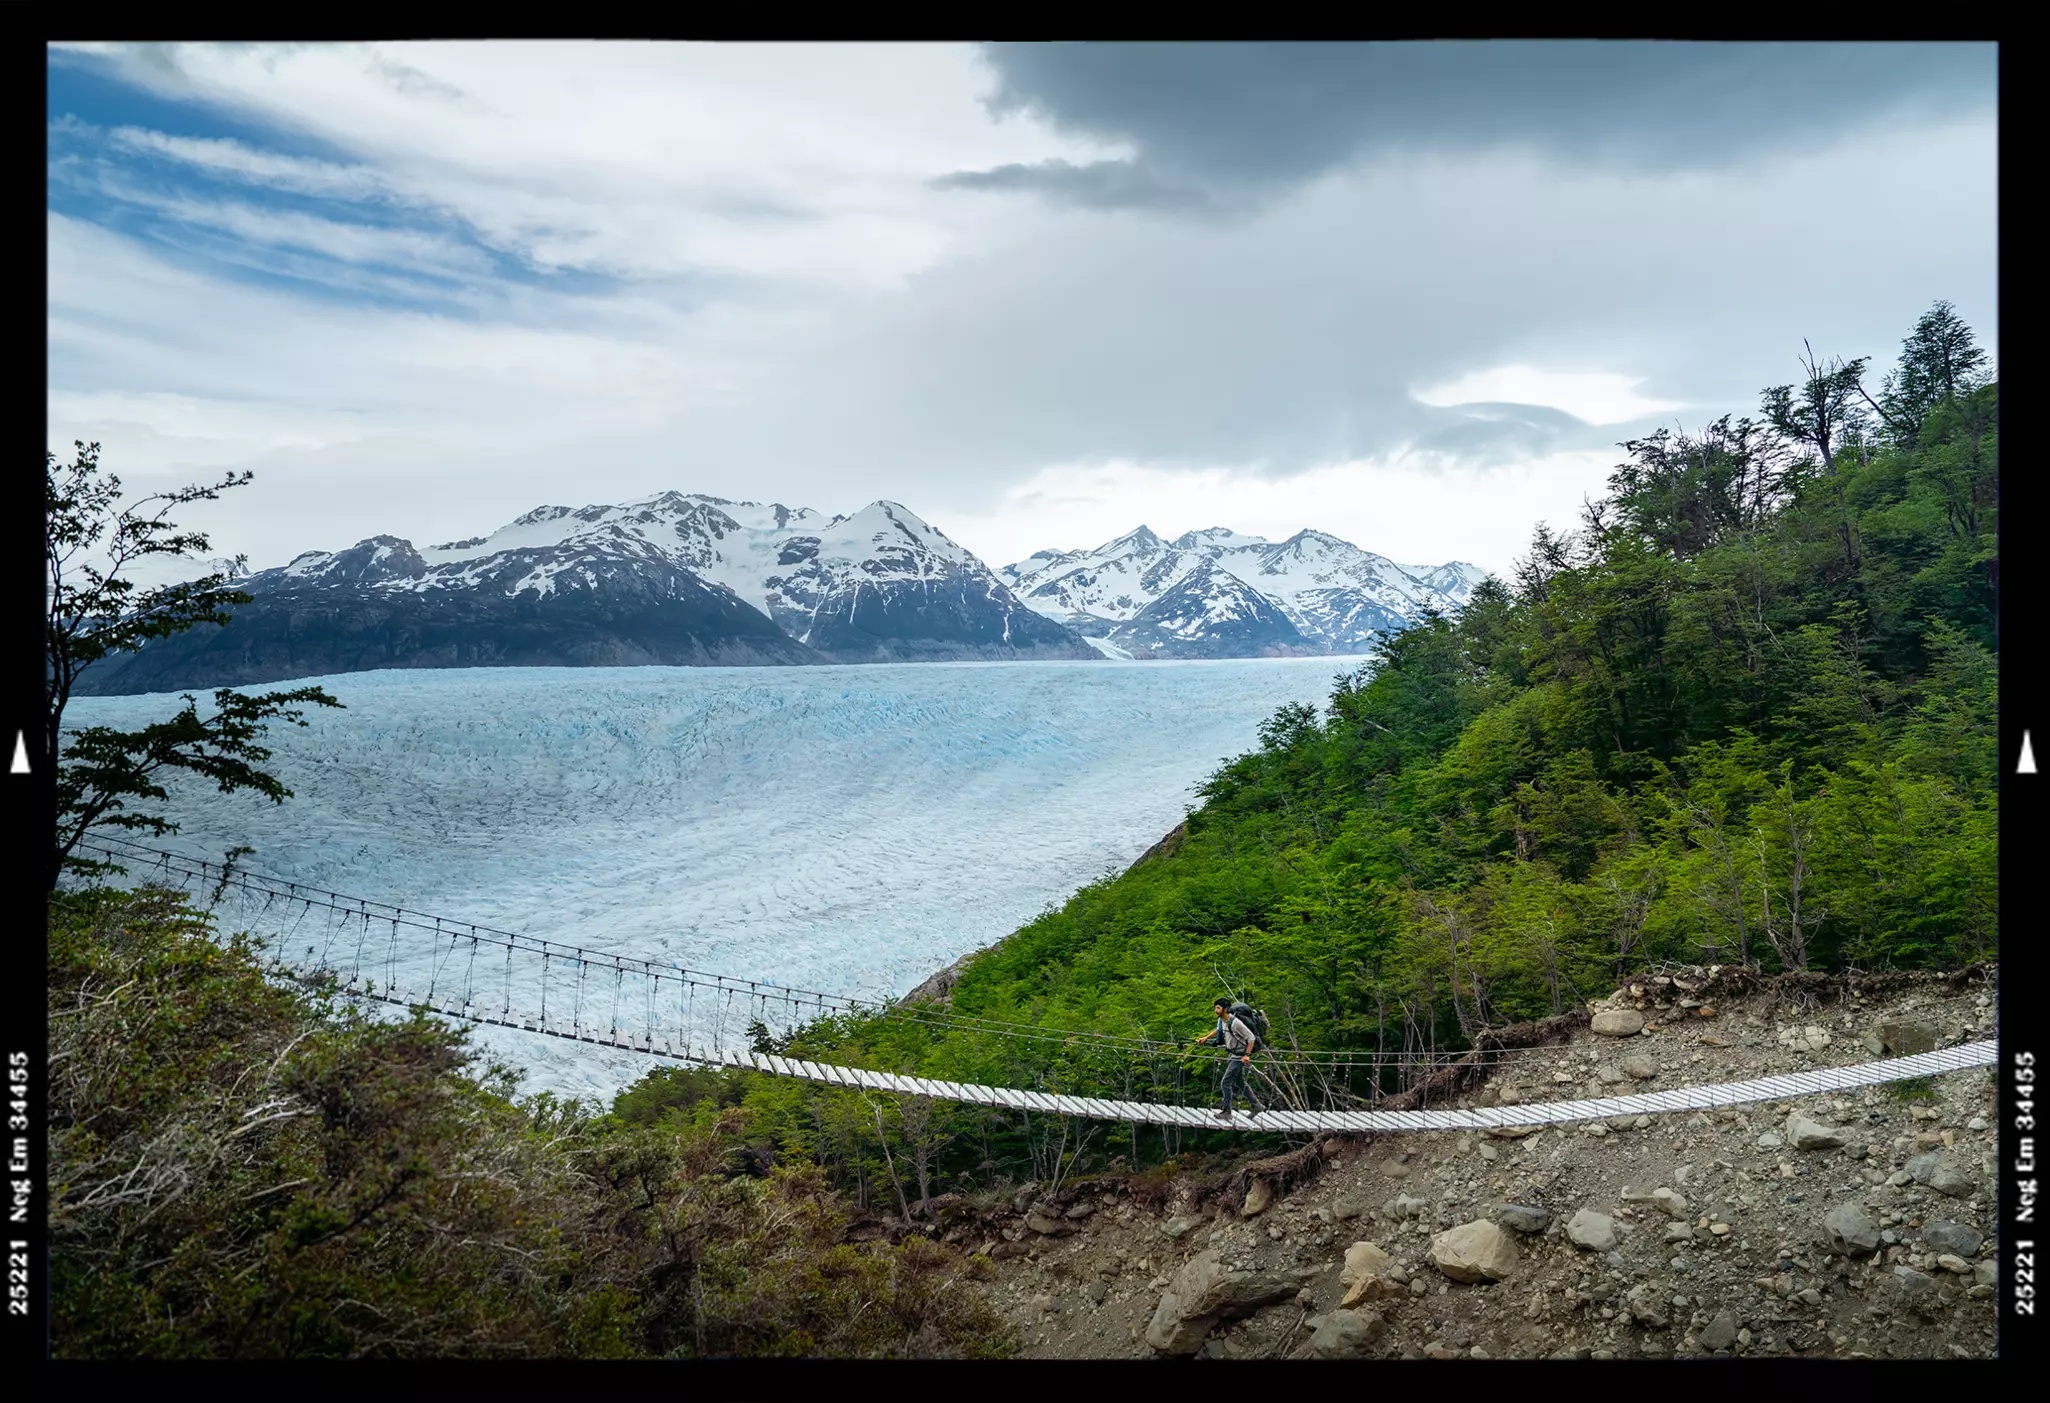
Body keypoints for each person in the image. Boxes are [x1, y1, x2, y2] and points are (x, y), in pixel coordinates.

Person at [1191, 997, 1262, 1120]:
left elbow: (1251, 1038)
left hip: (1239, 1056)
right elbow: (1219, 1030)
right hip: (1232, 1054)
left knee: (1225, 1082)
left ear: (1225, 1009)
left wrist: (1247, 1055)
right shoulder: (1223, 1020)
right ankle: (1256, 1106)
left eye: (1218, 1008)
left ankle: (1227, 1111)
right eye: (1215, 1008)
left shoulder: (1235, 1023)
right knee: (1239, 1081)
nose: (1216, 1010)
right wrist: (1205, 1038)